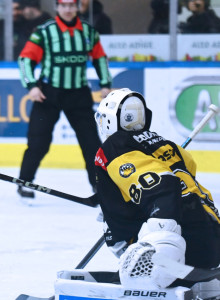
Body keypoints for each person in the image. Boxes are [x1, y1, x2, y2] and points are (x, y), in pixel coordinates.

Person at [94, 88, 220, 294]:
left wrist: (162, 240)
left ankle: (157, 268)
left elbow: (162, 185)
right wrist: (117, 196)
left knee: (134, 249)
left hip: (179, 251)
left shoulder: (113, 147)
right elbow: (186, 171)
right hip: (211, 241)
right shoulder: (168, 145)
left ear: (109, 120)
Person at [16, 0, 111, 201]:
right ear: (57, 7)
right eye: (63, 5)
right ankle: (24, 182)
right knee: (38, 142)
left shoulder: (88, 32)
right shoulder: (44, 31)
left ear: (77, 7)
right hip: (48, 94)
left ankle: (100, 187)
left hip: (78, 95)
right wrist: (31, 85)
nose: (68, 9)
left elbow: (100, 58)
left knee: (91, 144)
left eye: (71, 5)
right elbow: (25, 59)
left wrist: (105, 83)